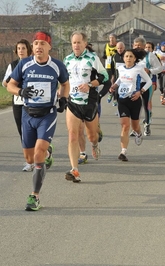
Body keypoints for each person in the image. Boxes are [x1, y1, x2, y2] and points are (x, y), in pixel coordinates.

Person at [6, 31, 69, 211]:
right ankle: (48, 154)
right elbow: (10, 85)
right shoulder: (24, 64)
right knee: (29, 157)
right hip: (27, 114)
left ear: (49, 47)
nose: (38, 47)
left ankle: (35, 196)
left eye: (42, 43)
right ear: (32, 47)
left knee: (38, 153)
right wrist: (20, 92)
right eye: (35, 44)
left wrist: (64, 98)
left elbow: (65, 83)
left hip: (47, 114)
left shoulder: (57, 66)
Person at [63, 31, 109, 182]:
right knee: (73, 135)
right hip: (73, 102)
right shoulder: (67, 60)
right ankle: (74, 170)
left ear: (85, 43)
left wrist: (90, 85)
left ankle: (95, 144)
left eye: (78, 42)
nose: (76, 45)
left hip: (89, 102)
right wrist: (61, 93)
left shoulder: (92, 58)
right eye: (74, 43)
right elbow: (64, 81)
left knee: (92, 135)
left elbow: (105, 77)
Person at [109, 48, 152, 161]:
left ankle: (138, 133)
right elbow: (120, 79)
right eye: (126, 56)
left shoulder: (139, 69)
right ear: (123, 58)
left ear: (135, 59)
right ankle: (123, 152)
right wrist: (114, 86)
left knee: (135, 126)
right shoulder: (121, 68)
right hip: (122, 100)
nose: (128, 58)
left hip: (134, 100)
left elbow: (149, 82)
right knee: (125, 125)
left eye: (131, 56)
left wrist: (140, 92)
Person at [2, 39, 33, 171]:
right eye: (19, 48)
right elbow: (4, 83)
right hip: (17, 101)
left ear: (28, 50)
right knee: (22, 131)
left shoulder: (33, 63)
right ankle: (29, 160)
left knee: (32, 130)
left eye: (23, 48)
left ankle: (38, 155)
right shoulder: (13, 65)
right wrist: (9, 81)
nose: (21, 50)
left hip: (32, 102)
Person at [132, 37, 162, 137]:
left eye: (139, 45)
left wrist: (150, 71)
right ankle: (135, 128)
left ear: (144, 46)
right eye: (135, 45)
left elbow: (159, 68)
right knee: (134, 107)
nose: (137, 47)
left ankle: (147, 124)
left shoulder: (150, 56)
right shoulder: (130, 56)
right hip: (133, 85)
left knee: (146, 105)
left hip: (146, 84)